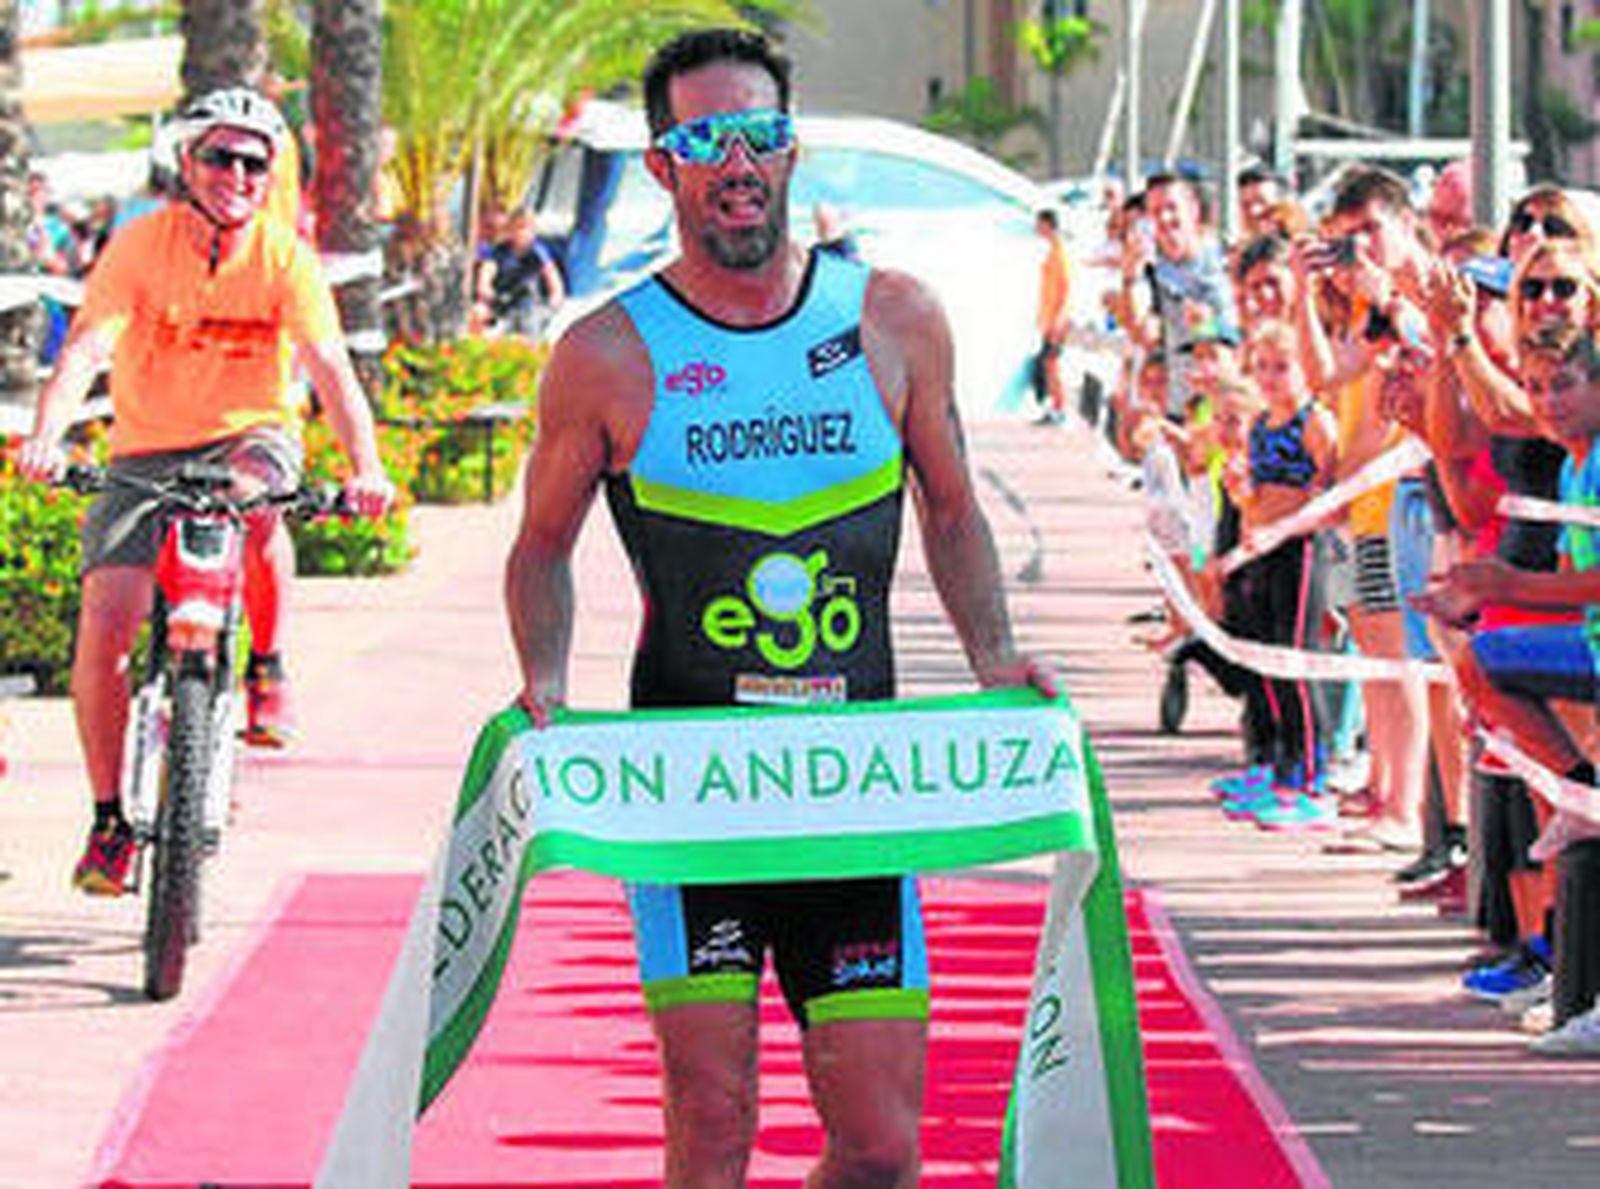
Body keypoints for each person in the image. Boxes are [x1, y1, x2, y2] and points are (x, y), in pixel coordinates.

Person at [503, 28, 1054, 1188]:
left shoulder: (893, 318)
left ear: (790, 149)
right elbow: (541, 547)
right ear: (663, 165)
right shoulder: (605, 353)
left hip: (852, 788)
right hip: (694, 788)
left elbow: (951, 510)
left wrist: (996, 654)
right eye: (705, 138)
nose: (736, 159)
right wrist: (544, 675)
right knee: (710, 1125)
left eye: (758, 133)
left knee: (880, 1149)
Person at [15, 86, 394, 896]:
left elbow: (331, 370)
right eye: (221, 155)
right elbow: (86, 349)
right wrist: (47, 437)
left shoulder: (285, 259)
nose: (239, 174)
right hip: (143, 451)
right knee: (106, 627)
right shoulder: (137, 246)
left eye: (257, 161)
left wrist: (368, 467)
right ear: (185, 162)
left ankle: (266, 661)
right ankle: (111, 820)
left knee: (256, 508)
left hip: (248, 436)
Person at [480, 208, 567, 340]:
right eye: (517, 228)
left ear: (533, 231)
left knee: (529, 323)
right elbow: (487, 273)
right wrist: (485, 289)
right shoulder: (500, 250)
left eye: (526, 228)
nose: (521, 233)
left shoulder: (537, 252)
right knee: (479, 315)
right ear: (510, 230)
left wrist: (554, 301)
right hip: (502, 300)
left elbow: (554, 280)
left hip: (528, 303)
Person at [1033, 206, 1072, 422]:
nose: (1036, 228)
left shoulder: (1060, 252)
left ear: (1048, 224)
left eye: (1039, 223)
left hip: (1057, 319)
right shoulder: (1053, 250)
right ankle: (1055, 407)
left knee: (1052, 363)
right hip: (1050, 319)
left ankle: (1060, 408)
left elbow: (1067, 288)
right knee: (1049, 364)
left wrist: (1058, 319)